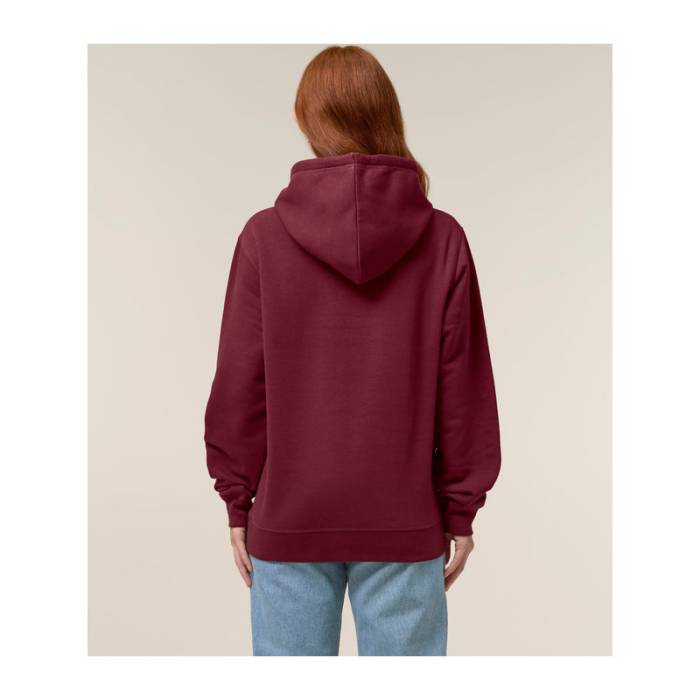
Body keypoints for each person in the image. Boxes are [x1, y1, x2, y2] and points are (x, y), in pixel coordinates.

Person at [204, 45, 501, 656]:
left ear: (306, 120)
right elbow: (464, 390)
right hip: (405, 520)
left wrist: (237, 500)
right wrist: (460, 509)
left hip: (289, 518)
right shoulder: (442, 237)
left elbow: (240, 382)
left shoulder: (264, 237)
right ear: (387, 114)